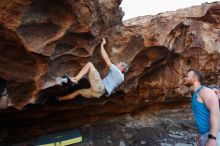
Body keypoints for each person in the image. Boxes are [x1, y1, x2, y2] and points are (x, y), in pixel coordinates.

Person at [59, 38, 129, 101]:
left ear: (122, 68)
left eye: (119, 63)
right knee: (78, 92)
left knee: (90, 64)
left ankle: (74, 80)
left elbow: (106, 59)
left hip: (100, 87)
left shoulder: (117, 71)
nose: (117, 63)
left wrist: (102, 46)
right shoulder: (121, 78)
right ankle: (59, 99)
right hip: (98, 94)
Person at [184, 69, 220, 146]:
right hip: (204, 135)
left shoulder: (205, 91)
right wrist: (200, 135)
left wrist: (212, 139)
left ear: (194, 78)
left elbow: (216, 114)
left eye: (187, 76)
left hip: (213, 135)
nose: (184, 78)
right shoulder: (195, 93)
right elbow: (201, 116)